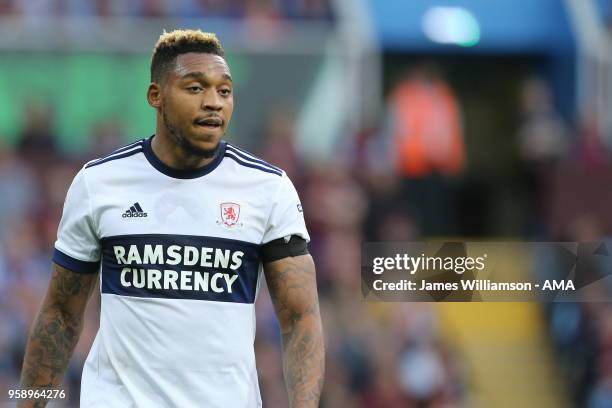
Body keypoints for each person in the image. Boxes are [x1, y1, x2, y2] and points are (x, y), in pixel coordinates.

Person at [18, 29, 325, 408]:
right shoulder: (99, 184)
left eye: (224, 91)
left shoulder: (268, 189)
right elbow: (60, 316)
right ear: (156, 97)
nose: (213, 102)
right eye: (195, 88)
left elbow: (301, 319)